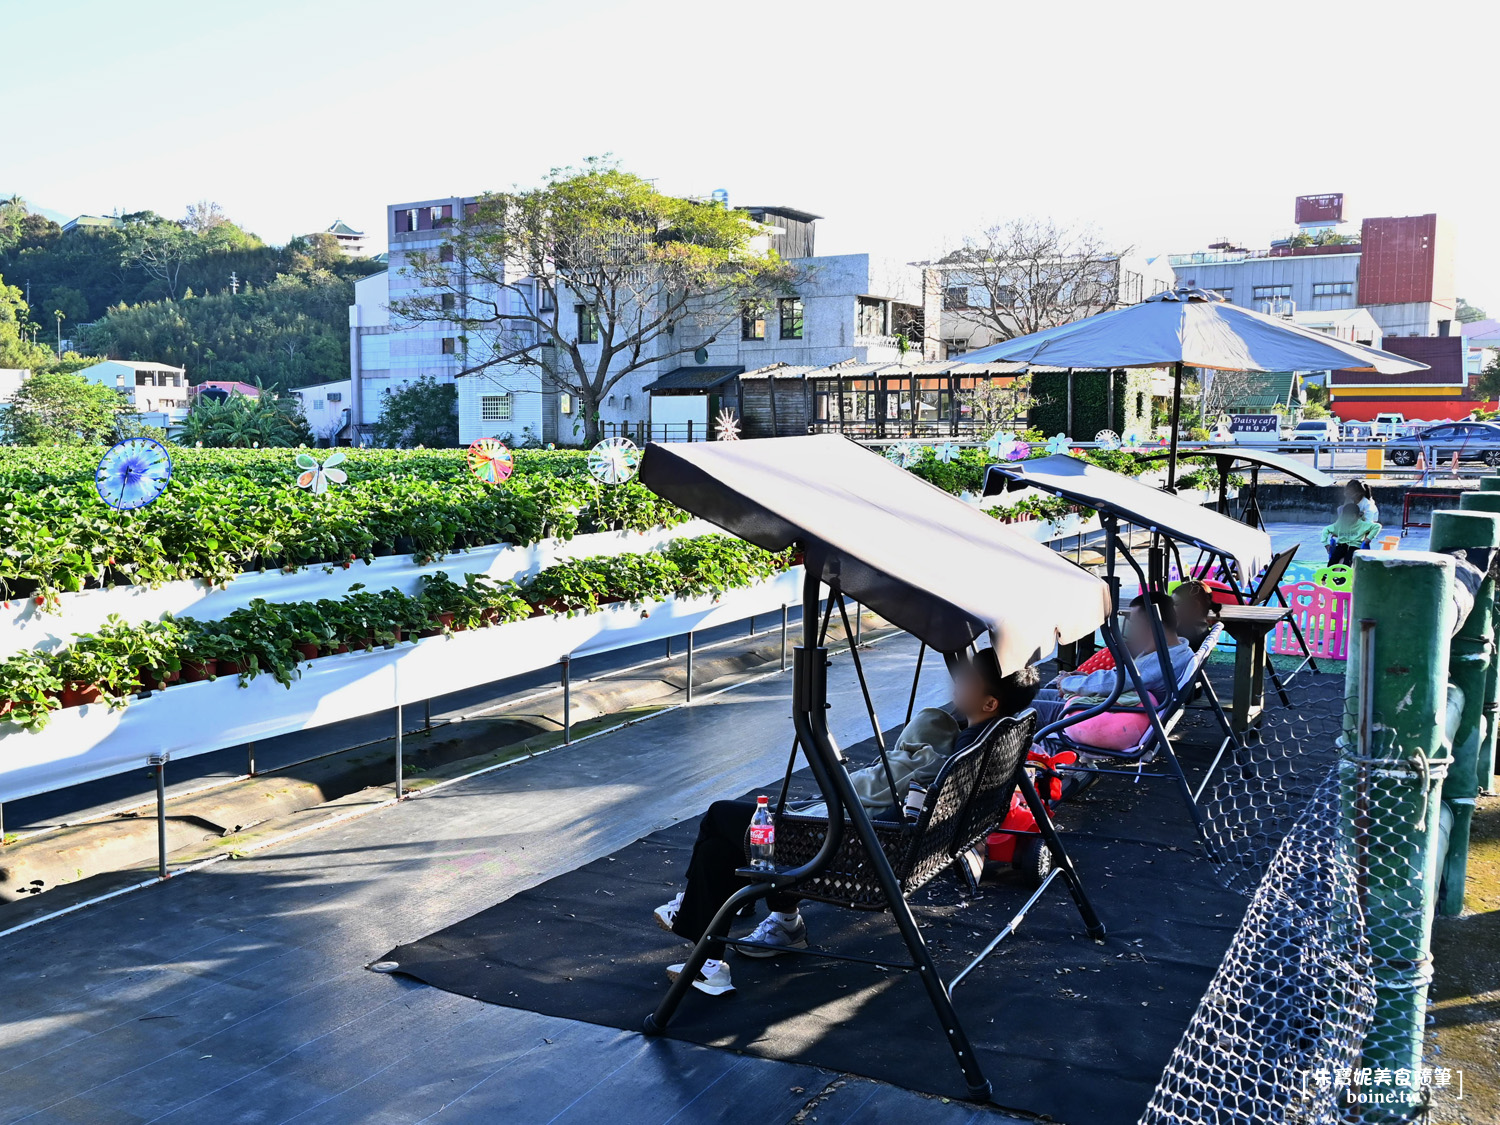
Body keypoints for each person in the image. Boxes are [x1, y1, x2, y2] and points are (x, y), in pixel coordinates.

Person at [653, 650, 1041, 996]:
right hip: (891, 844)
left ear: (989, 701)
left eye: (969, 679)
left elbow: (897, 801)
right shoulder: (986, 742)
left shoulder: (947, 762)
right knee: (733, 838)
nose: (959, 681)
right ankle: (766, 925)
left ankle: (704, 946)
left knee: (722, 820)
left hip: (858, 848)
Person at [1030, 592, 1193, 729]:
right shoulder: (1179, 650)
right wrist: (1081, 680)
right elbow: (1119, 680)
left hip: (1110, 716)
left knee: (1018, 708)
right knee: (1028, 696)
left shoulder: (1161, 661)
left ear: (1149, 624)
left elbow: (1112, 683)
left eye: (1134, 622)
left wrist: (1067, 683)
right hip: (1116, 707)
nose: (1132, 629)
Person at [1322, 502, 1381, 567]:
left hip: (1355, 546)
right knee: (1333, 560)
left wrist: (1369, 538)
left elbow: (1377, 526)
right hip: (1341, 545)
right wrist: (1325, 544)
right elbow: (1326, 529)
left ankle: (1344, 575)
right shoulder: (1341, 524)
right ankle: (1327, 574)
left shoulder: (1362, 525)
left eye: (1352, 516)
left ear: (1357, 516)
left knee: (1348, 560)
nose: (1348, 519)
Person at [1171, 579, 1218, 650]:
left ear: (1195, 605)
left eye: (1175, 604)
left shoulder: (1184, 634)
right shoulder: (1201, 629)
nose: (1172, 608)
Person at [1343, 480, 1379, 545]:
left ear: (1359, 493)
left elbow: (1369, 522)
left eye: (1351, 493)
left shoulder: (1368, 505)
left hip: (1368, 521)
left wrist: (1365, 537)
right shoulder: (1349, 500)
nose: (1349, 495)